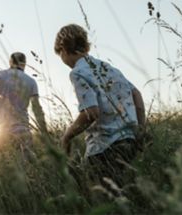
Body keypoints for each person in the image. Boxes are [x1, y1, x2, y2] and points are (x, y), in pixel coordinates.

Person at [54, 24, 146, 189]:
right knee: (122, 192)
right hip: (129, 142)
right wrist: (140, 129)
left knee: (101, 197)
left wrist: (67, 135)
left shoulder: (77, 72)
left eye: (60, 54)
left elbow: (92, 113)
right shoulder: (108, 68)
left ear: (63, 49)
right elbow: (136, 94)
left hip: (104, 148)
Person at [0, 52, 48, 160]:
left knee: (5, 169)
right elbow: (37, 109)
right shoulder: (32, 82)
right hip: (23, 132)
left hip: (1, 133)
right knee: (25, 171)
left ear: (10, 62)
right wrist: (44, 132)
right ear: (25, 64)